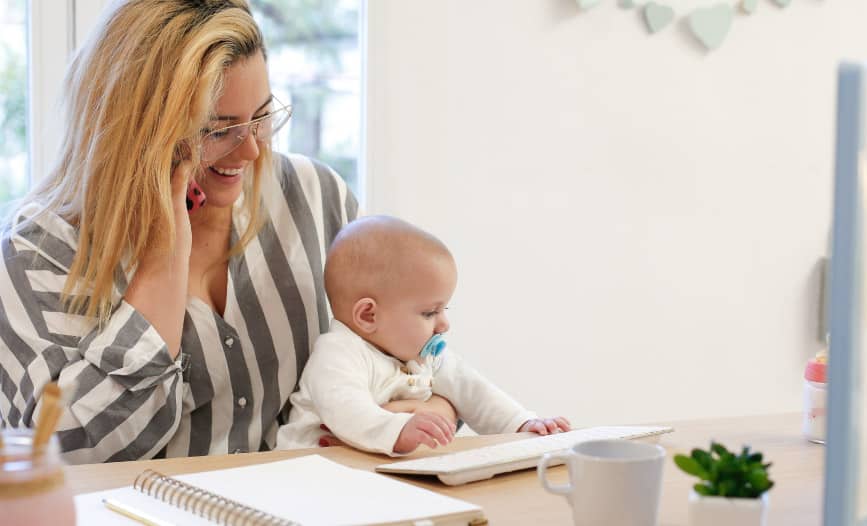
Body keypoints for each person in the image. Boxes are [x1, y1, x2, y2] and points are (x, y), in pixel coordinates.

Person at [0, 0, 456, 464]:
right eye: (218, 131)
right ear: (135, 133)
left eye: (260, 117)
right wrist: (162, 263)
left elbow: (419, 358)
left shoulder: (315, 199)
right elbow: (54, 458)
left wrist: (423, 408)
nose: (253, 152)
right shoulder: (35, 254)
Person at [276, 216, 571, 455]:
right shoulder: (337, 353)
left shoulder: (423, 354)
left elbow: (473, 390)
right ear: (368, 316)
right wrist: (399, 428)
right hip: (308, 474)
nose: (444, 324)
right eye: (430, 313)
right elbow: (347, 410)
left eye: (444, 309)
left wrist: (521, 424)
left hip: (371, 472)